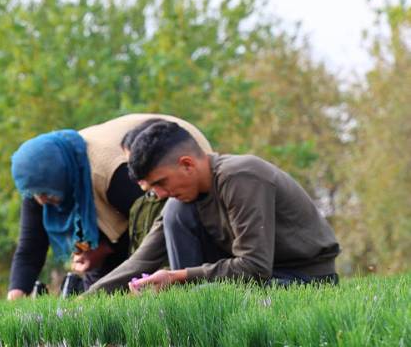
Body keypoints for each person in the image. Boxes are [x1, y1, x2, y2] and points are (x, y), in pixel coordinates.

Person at [89, 120, 340, 293]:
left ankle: (192, 299)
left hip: (303, 279)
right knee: (176, 212)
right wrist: (83, 303)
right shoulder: (183, 198)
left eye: (161, 183)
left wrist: (178, 277)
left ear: (187, 164)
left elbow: (254, 267)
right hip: (258, 281)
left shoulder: (241, 176)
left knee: (209, 302)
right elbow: (142, 260)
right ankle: (190, 301)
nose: (161, 194)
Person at [7, 114, 212, 299]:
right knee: (98, 290)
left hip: (170, 168)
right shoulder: (37, 182)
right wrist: (15, 297)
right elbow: (30, 246)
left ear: (61, 176)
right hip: (124, 205)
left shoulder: (110, 173)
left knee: (141, 284)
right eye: (36, 195)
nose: (42, 200)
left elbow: (146, 232)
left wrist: (106, 249)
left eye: (46, 193)